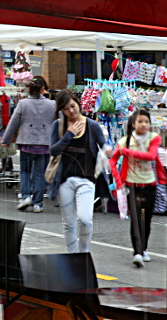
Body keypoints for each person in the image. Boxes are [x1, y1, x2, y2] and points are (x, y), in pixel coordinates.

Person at [49, 90, 110, 253]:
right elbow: (53, 151)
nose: (71, 111)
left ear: (77, 103)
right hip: (65, 181)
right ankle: (73, 256)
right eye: (66, 109)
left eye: (72, 106)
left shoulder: (92, 125)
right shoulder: (59, 125)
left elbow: (104, 145)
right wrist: (69, 135)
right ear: (61, 111)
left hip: (86, 179)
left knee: (85, 219)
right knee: (68, 223)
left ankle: (84, 254)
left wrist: (107, 151)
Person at [109, 109, 167, 268]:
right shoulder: (124, 140)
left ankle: (144, 248)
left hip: (150, 185)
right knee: (135, 220)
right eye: (140, 121)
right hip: (131, 186)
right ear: (133, 123)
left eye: (146, 121)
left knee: (146, 220)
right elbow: (112, 161)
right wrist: (118, 181)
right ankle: (137, 252)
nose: (144, 124)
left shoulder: (154, 138)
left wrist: (127, 152)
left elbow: (150, 156)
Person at [1, 77, 55, 212]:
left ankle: (25, 196)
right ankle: (38, 203)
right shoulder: (52, 104)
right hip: (44, 143)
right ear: (43, 88)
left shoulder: (23, 103)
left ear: (29, 88)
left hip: (26, 141)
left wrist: (6, 140)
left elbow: (13, 122)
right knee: (40, 173)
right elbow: (59, 122)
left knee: (24, 171)